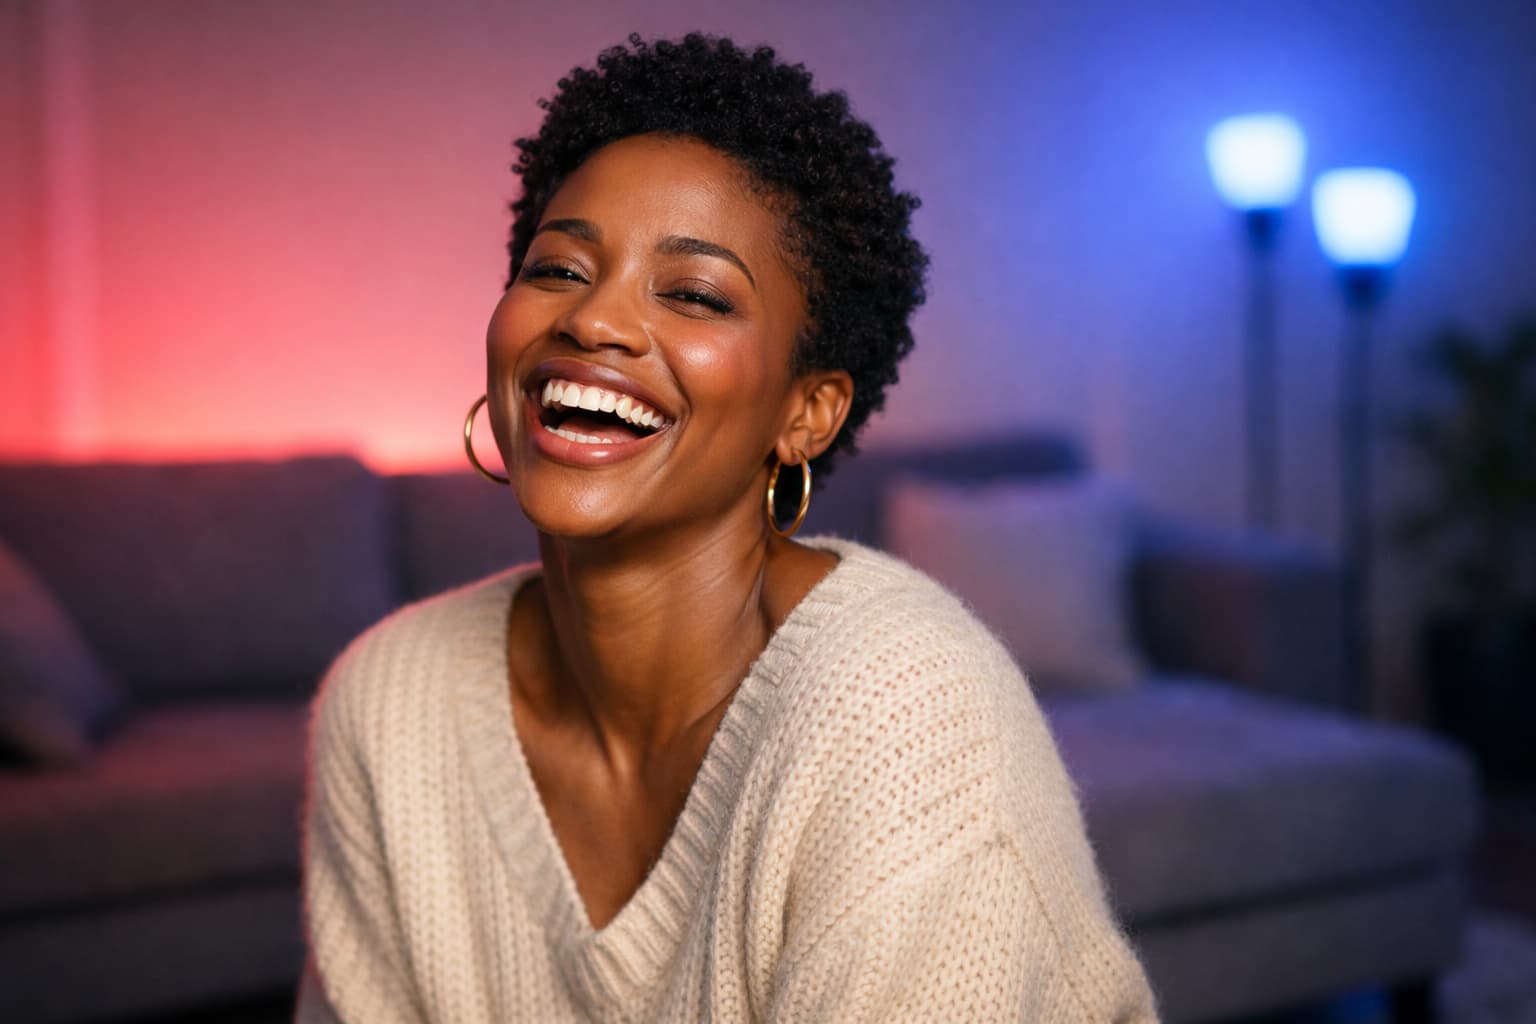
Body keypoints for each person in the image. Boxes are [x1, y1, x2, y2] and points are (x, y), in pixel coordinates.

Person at [297, 33, 1159, 1023]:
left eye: (695, 294)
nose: (595, 323)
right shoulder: (391, 702)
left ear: (808, 412)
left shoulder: (907, 715)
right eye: (559, 269)